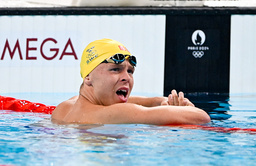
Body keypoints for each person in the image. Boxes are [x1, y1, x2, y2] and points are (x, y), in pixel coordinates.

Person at [51, 38, 210, 125]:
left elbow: (129, 101)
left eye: (130, 71)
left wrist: (159, 101)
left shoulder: (64, 108)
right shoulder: (115, 114)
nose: (126, 77)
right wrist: (188, 108)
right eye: (115, 69)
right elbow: (202, 118)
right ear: (88, 77)